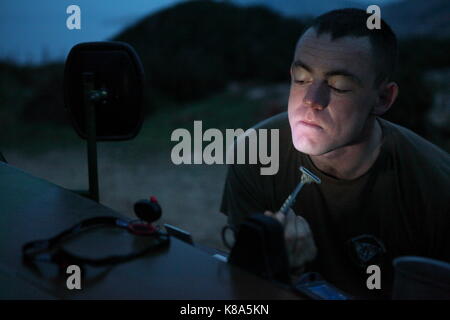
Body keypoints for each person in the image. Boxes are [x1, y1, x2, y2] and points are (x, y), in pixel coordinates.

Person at [219, 8, 450, 299]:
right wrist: (278, 271)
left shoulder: (437, 188)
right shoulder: (256, 152)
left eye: (339, 86)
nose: (311, 100)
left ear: (383, 98)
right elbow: (243, 288)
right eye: (301, 79)